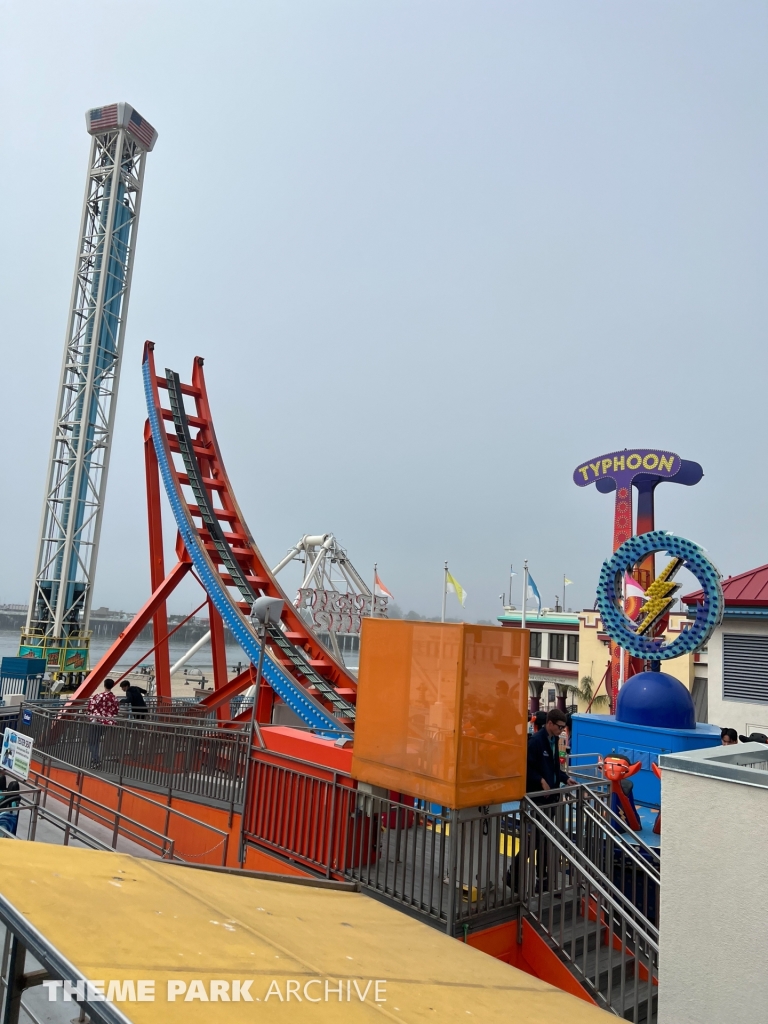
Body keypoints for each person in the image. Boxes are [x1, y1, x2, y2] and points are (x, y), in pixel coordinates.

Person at [527, 708, 575, 802]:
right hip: (539, 795)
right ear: (550, 724)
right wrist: (541, 780)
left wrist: (566, 778)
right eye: (560, 727)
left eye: (563, 727)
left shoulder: (554, 740)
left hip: (552, 793)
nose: (562, 730)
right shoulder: (535, 741)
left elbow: (553, 766)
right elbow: (526, 767)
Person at [87, 679, 119, 768]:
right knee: (96, 740)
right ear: (112, 686)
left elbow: (91, 707)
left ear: (104, 685)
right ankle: (95, 758)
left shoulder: (98, 696)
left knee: (92, 741)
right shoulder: (114, 698)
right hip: (108, 722)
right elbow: (116, 711)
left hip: (96, 721)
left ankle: (96, 760)